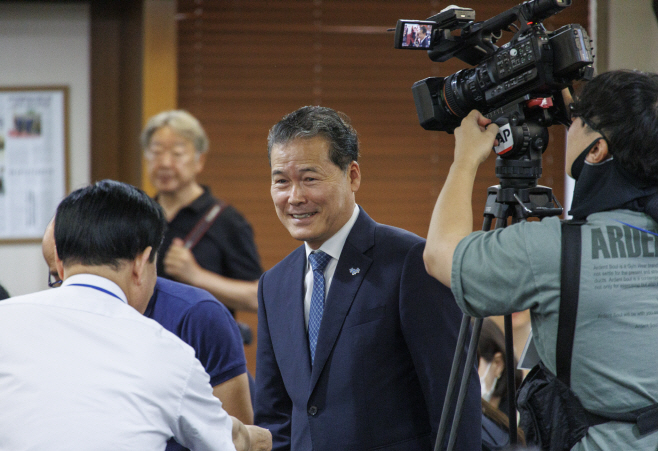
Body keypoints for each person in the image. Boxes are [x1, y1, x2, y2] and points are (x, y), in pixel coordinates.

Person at [423, 69, 658, 449]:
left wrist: (465, 160)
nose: (569, 127)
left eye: (577, 122)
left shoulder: (554, 250)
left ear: (596, 150)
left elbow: (439, 256)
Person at [255, 106, 481, 451]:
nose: (294, 197)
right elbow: (277, 418)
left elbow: (452, 398)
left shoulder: (411, 262)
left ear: (353, 175)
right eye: (281, 181)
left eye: (310, 178)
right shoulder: (273, 285)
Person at [1, 179, 271, 451]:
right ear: (142, 264)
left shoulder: (5, 319)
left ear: (59, 262)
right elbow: (231, 440)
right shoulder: (168, 353)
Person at [42, 219, 254, 451]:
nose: (70, 289)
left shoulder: (197, 314)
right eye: (58, 279)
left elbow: (239, 437)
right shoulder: (49, 319)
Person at [142, 110, 263, 315]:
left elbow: (258, 298)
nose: (164, 163)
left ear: (200, 160)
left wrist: (197, 276)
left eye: (177, 154)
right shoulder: (139, 216)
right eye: (156, 152)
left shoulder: (226, 220)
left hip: (202, 342)